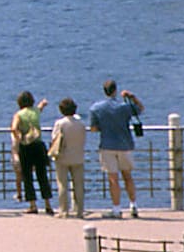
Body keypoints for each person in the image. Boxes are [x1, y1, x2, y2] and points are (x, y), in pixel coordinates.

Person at [87, 79, 145, 218]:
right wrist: (132, 96)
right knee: (128, 176)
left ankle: (116, 208)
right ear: (115, 90)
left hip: (107, 145)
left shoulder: (96, 108)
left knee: (113, 178)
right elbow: (141, 109)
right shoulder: (124, 107)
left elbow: (94, 129)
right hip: (125, 145)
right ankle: (133, 205)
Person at [12, 91, 55, 215]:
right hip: (39, 145)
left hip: (26, 146)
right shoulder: (35, 111)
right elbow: (40, 108)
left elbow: (13, 128)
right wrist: (43, 103)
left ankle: (33, 205)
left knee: (27, 176)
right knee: (42, 175)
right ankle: (48, 204)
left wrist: (18, 137)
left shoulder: (19, 114)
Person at [50, 97, 89, 218]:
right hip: (78, 155)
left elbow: (54, 138)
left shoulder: (60, 123)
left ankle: (64, 210)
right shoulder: (81, 124)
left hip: (62, 156)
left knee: (62, 184)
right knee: (78, 184)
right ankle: (79, 211)